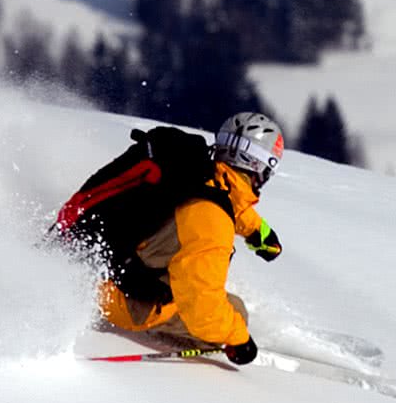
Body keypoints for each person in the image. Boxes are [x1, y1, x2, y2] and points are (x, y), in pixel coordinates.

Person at [89, 113, 285, 365]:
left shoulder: (191, 171)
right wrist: (239, 339)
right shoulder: (212, 220)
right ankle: (151, 329)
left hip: (96, 268)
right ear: (258, 167)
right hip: (124, 301)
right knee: (235, 311)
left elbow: (227, 197)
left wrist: (258, 230)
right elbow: (202, 309)